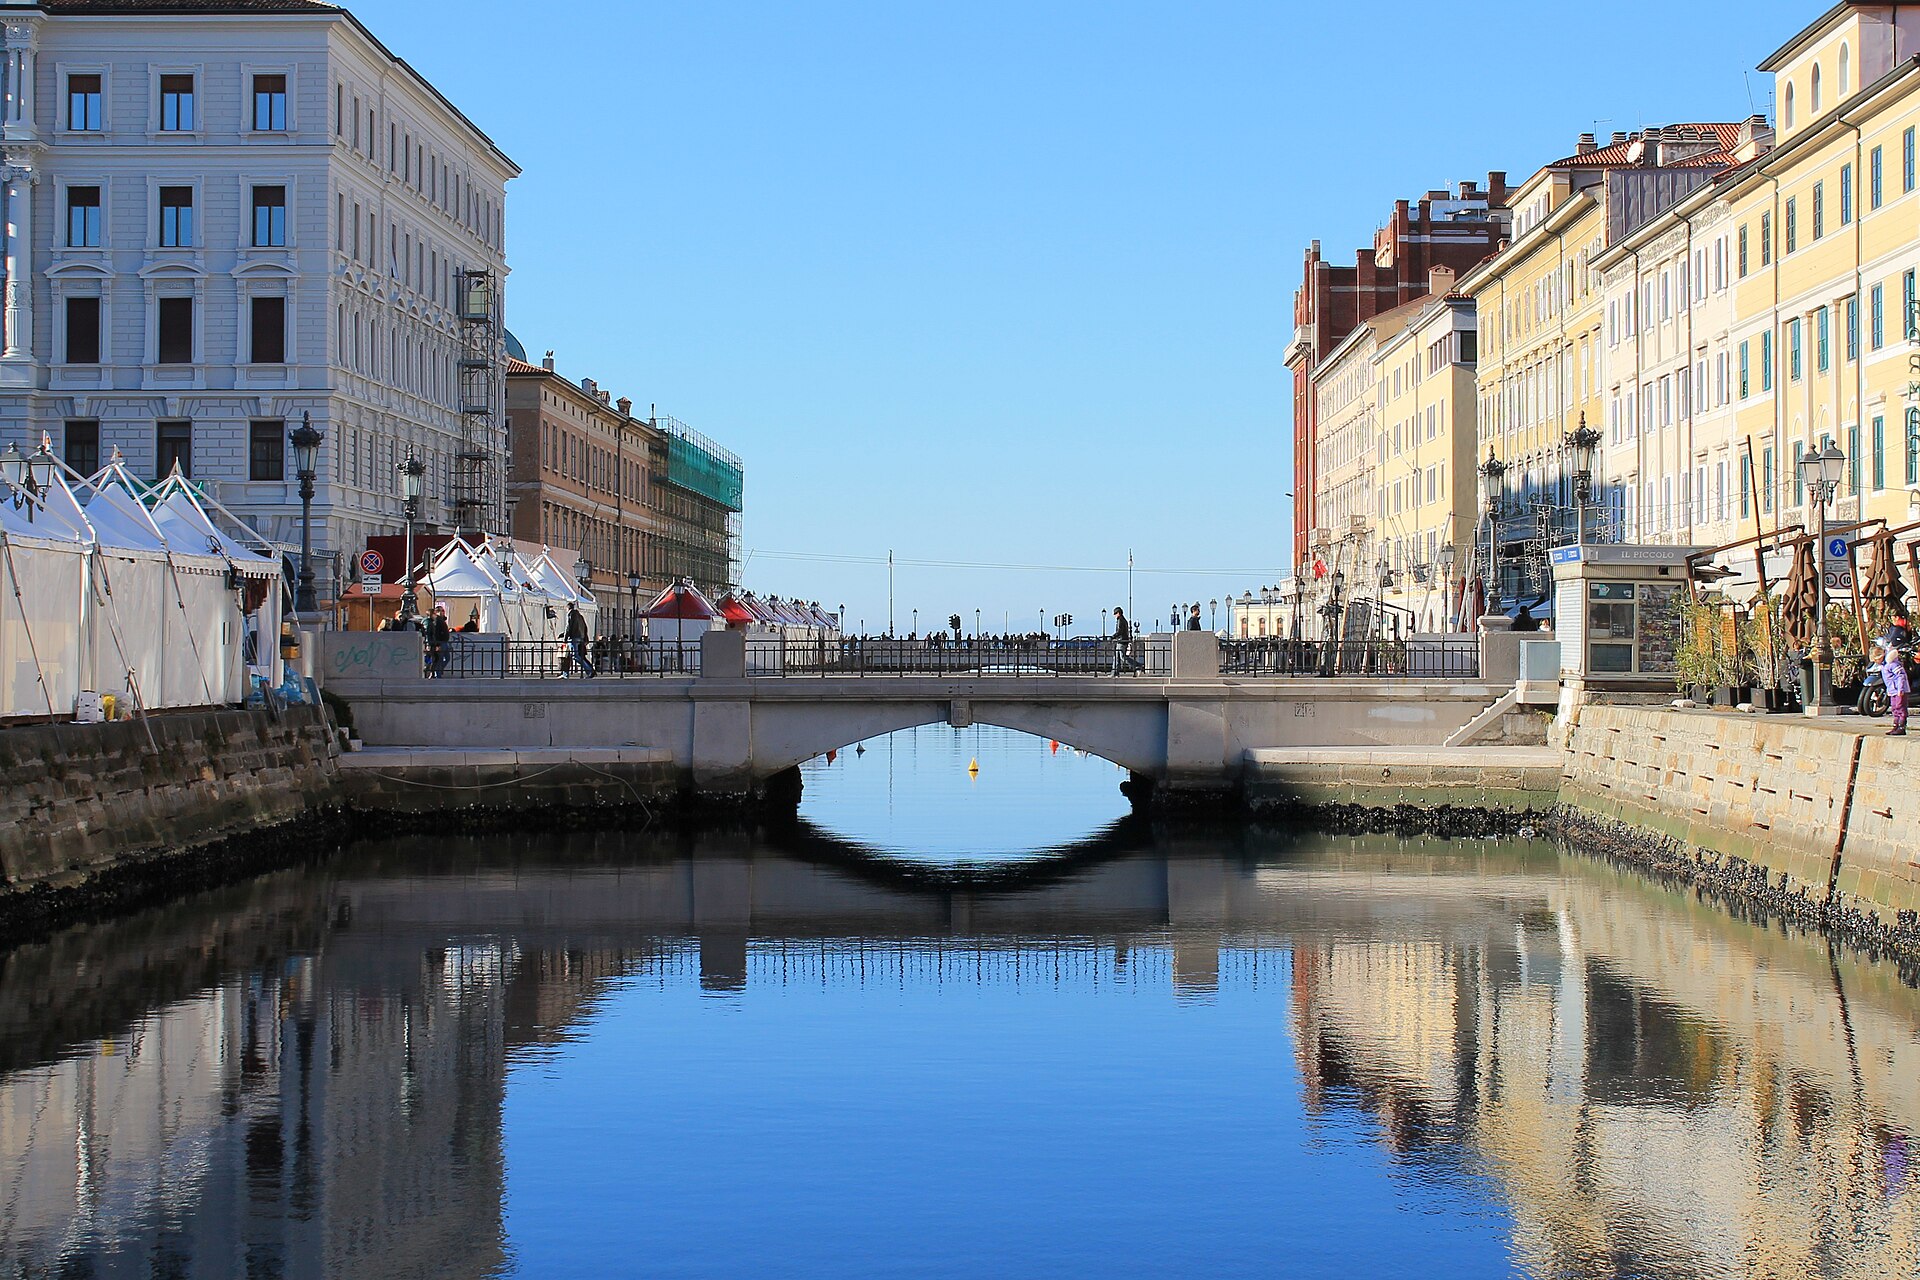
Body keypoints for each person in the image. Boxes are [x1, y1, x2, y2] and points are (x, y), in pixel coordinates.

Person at [1877, 640, 1910, 736]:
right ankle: (1896, 725)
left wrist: (1900, 689)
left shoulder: (1893, 665)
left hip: (1899, 690)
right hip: (1892, 690)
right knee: (1895, 708)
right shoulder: (1884, 666)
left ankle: (1901, 726)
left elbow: (1901, 676)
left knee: (1900, 707)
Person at [565, 601, 595, 678]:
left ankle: (589, 670)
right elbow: (585, 627)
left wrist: (565, 637)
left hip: (573, 637)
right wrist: (584, 637)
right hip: (580, 638)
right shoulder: (580, 616)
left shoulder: (570, 614)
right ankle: (565, 673)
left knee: (575, 656)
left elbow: (568, 627)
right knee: (573, 655)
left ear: (568, 608)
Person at [425, 603, 452, 678]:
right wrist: (437, 644)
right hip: (441, 642)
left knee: (446, 658)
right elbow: (435, 633)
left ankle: (437, 671)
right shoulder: (437, 621)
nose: (441, 612)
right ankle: (437, 673)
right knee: (440, 659)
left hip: (444, 641)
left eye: (442, 610)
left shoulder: (441, 620)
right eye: (439, 611)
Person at [1111, 606, 1135, 674]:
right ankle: (1114, 672)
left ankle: (1137, 665)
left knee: (1122, 657)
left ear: (1118, 613)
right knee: (1117, 657)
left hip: (1121, 641)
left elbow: (1119, 631)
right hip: (1122, 640)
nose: (1114, 616)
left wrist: (1113, 636)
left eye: (1115, 614)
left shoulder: (1120, 620)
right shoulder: (1124, 620)